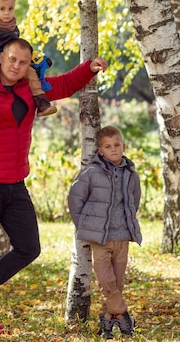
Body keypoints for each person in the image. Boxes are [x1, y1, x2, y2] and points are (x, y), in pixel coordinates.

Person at [0, 38, 108, 334]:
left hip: (15, 182)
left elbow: (66, 84)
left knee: (29, 247)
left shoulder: (32, 88)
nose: (16, 66)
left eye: (23, 62)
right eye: (11, 59)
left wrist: (89, 69)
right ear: (1, 58)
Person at [68, 126, 142, 338]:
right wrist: (86, 225)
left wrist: (127, 221)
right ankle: (123, 314)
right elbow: (75, 200)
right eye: (108, 146)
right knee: (106, 282)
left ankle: (107, 320)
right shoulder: (91, 173)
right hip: (100, 239)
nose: (114, 149)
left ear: (123, 146)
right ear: (100, 151)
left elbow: (134, 200)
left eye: (117, 145)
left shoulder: (130, 173)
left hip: (123, 237)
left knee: (117, 283)